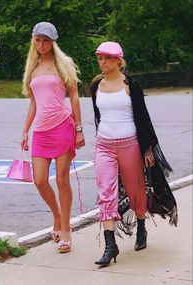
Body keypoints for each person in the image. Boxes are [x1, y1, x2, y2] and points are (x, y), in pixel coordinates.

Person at [90, 41, 178, 267]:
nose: (102, 62)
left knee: (136, 191)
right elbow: (98, 117)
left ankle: (141, 226)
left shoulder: (131, 85)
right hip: (104, 146)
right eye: (100, 58)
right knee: (105, 193)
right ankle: (110, 245)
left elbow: (143, 117)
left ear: (118, 60)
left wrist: (147, 148)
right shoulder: (96, 86)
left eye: (107, 58)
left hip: (130, 145)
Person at [21, 22, 85, 253]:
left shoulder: (62, 64)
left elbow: (74, 97)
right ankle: (57, 216)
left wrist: (79, 128)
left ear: (53, 41)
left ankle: (66, 230)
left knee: (61, 179)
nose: (42, 44)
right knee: (39, 180)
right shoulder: (33, 66)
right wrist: (25, 130)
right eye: (38, 40)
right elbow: (34, 102)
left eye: (46, 40)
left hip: (62, 126)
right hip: (41, 131)